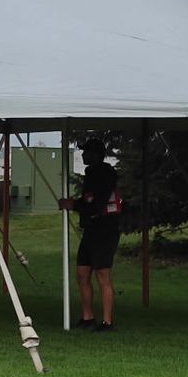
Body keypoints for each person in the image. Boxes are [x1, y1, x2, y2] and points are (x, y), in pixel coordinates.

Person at [61, 139, 123, 330]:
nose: (83, 155)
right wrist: (77, 204)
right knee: (82, 273)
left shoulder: (106, 174)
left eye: (86, 152)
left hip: (106, 229)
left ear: (96, 154)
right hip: (91, 229)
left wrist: (75, 206)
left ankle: (107, 321)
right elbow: (89, 200)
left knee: (102, 274)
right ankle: (87, 317)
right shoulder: (91, 173)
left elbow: (98, 203)